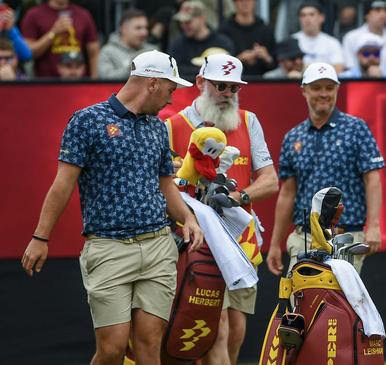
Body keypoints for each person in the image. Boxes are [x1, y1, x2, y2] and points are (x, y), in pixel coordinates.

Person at [20, 50, 204, 364]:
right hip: (108, 248)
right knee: (112, 348)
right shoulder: (87, 120)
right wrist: (41, 237)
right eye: (170, 89)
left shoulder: (157, 128)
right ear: (152, 83)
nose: (172, 99)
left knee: (149, 344)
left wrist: (188, 218)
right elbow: (63, 184)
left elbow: (165, 185)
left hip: (158, 245)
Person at [164, 54, 279, 365]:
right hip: (194, 245)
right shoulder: (173, 126)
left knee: (235, 329)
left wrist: (239, 197)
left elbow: (270, 181)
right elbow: (160, 186)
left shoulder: (248, 120)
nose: (228, 94)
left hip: (241, 244)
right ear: (201, 83)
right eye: (221, 86)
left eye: (234, 88)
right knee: (211, 328)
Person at [266, 62, 384, 277]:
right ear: (304, 91)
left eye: (329, 88)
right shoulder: (293, 137)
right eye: (317, 87)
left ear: (337, 89)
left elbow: (373, 179)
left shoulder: (356, 128)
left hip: (345, 236)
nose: (323, 94)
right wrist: (275, 243)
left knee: (341, 306)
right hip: (304, 238)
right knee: (300, 305)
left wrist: (374, 226)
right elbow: (287, 192)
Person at [20, 0, 99, 78]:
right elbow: (28, 52)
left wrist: (94, 80)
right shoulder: (33, 15)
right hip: (46, 82)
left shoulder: (83, 15)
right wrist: (53, 32)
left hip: (78, 82)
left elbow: (93, 52)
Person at [168, 0, 235, 80]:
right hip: (185, 90)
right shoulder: (177, 44)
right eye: (181, 22)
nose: (183, 25)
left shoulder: (222, 43)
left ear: (202, 19)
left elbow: (228, 70)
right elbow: (173, 70)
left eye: (188, 21)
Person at [342, 0, 386, 77]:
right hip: (357, 85)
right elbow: (349, 67)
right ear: (367, 15)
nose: (383, 14)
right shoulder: (350, 37)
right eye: (377, 10)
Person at [219, 0, 276, 76]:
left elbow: (276, 63)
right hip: (232, 82)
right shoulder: (224, 30)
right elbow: (219, 63)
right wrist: (239, 59)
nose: (245, 3)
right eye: (241, 0)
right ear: (234, 2)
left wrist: (267, 57)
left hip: (263, 82)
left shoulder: (266, 29)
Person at [98, 8, 157, 79]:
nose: (144, 33)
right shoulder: (108, 52)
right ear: (124, 29)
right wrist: (132, 68)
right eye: (138, 28)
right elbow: (104, 80)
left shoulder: (153, 51)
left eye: (146, 28)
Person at [293, 1, 345, 73]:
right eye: (303, 15)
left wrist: (305, 68)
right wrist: (324, 69)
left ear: (322, 17)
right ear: (299, 19)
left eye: (311, 14)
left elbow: (338, 69)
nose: (307, 19)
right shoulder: (292, 41)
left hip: (325, 83)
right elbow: (289, 68)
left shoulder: (332, 42)